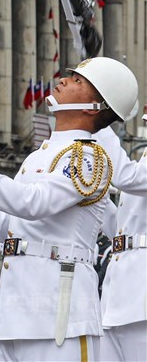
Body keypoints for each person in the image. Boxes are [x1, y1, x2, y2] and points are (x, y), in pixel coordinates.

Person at [0, 57, 141, 360]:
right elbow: (14, 228)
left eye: (77, 81)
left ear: (92, 107)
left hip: (60, 316)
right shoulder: (39, 156)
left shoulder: (90, 159)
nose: (63, 80)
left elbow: (34, 204)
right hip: (17, 314)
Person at [98, 105, 147, 361]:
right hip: (118, 289)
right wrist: (95, 195)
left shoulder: (135, 169)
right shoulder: (143, 159)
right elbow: (118, 230)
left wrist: (98, 125)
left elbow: (125, 177)